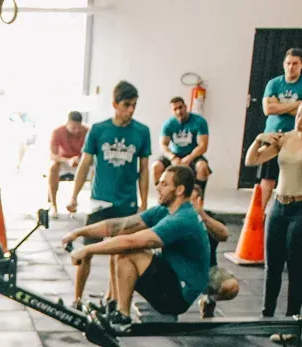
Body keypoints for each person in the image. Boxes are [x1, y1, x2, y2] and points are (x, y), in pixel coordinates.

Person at [61, 164, 207, 332]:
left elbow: (131, 242)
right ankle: (114, 305)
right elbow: (120, 225)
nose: (157, 187)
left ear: (179, 190)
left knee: (126, 251)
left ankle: (122, 315)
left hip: (179, 296)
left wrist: (87, 249)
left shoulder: (182, 219)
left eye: (164, 184)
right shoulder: (165, 211)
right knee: (119, 243)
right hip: (171, 279)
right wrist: (78, 232)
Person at [244, 98, 302, 338]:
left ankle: (290, 323)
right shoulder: (286, 138)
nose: (299, 121)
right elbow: (251, 160)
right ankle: (267, 317)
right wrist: (258, 139)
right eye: (298, 115)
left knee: (295, 269)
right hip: (278, 207)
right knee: (272, 267)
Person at [65, 81, 151, 308]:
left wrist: (143, 202)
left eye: (134, 105)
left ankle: (112, 299)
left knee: (120, 253)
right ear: (115, 104)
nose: (131, 110)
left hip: (126, 203)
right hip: (100, 202)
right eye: (126, 105)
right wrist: (74, 196)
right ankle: (77, 298)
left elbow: (144, 169)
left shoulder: (142, 131)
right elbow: (85, 164)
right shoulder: (98, 129)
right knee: (86, 251)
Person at [257, 48, 302, 211]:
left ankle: (284, 212)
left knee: (291, 177)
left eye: (295, 64)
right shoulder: (274, 83)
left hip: (295, 138)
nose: (291, 67)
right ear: (283, 64)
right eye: (288, 63)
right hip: (272, 136)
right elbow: (267, 109)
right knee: (267, 178)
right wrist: (297, 104)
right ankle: (259, 214)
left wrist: (278, 105)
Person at [190, 183, 238, 318]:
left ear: (200, 202)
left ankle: (208, 301)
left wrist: (201, 216)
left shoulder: (212, 219)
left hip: (205, 271)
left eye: (190, 203)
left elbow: (223, 235)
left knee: (231, 286)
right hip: (177, 272)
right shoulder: (171, 218)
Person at [154, 97, 210, 194]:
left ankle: (197, 199)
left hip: (192, 155)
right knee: (156, 166)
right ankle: (162, 197)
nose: (179, 111)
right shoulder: (168, 124)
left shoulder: (199, 121)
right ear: (172, 111)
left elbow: (203, 146)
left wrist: (189, 158)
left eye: (180, 107)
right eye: (175, 109)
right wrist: (173, 158)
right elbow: (163, 145)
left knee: (203, 168)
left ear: (185, 107)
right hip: (174, 155)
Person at [47, 111, 88, 218]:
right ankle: (53, 205)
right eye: (73, 127)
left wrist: (81, 160)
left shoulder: (87, 131)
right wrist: (67, 160)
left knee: (95, 169)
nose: (77, 130)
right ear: (67, 123)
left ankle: (74, 200)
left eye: (79, 127)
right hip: (64, 161)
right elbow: (53, 155)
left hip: (81, 161)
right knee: (52, 167)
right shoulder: (57, 132)